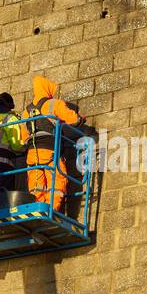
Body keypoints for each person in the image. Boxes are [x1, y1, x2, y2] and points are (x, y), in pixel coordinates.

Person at [25, 76, 86, 210]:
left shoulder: (27, 111)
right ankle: (52, 209)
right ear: (47, 88)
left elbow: (23, 137)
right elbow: (73, 120)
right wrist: (80, 119)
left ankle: (37, 209)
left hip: (32, 152)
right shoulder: (53, 103)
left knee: (36, 183)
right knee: (57, 181)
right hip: (50, 150)